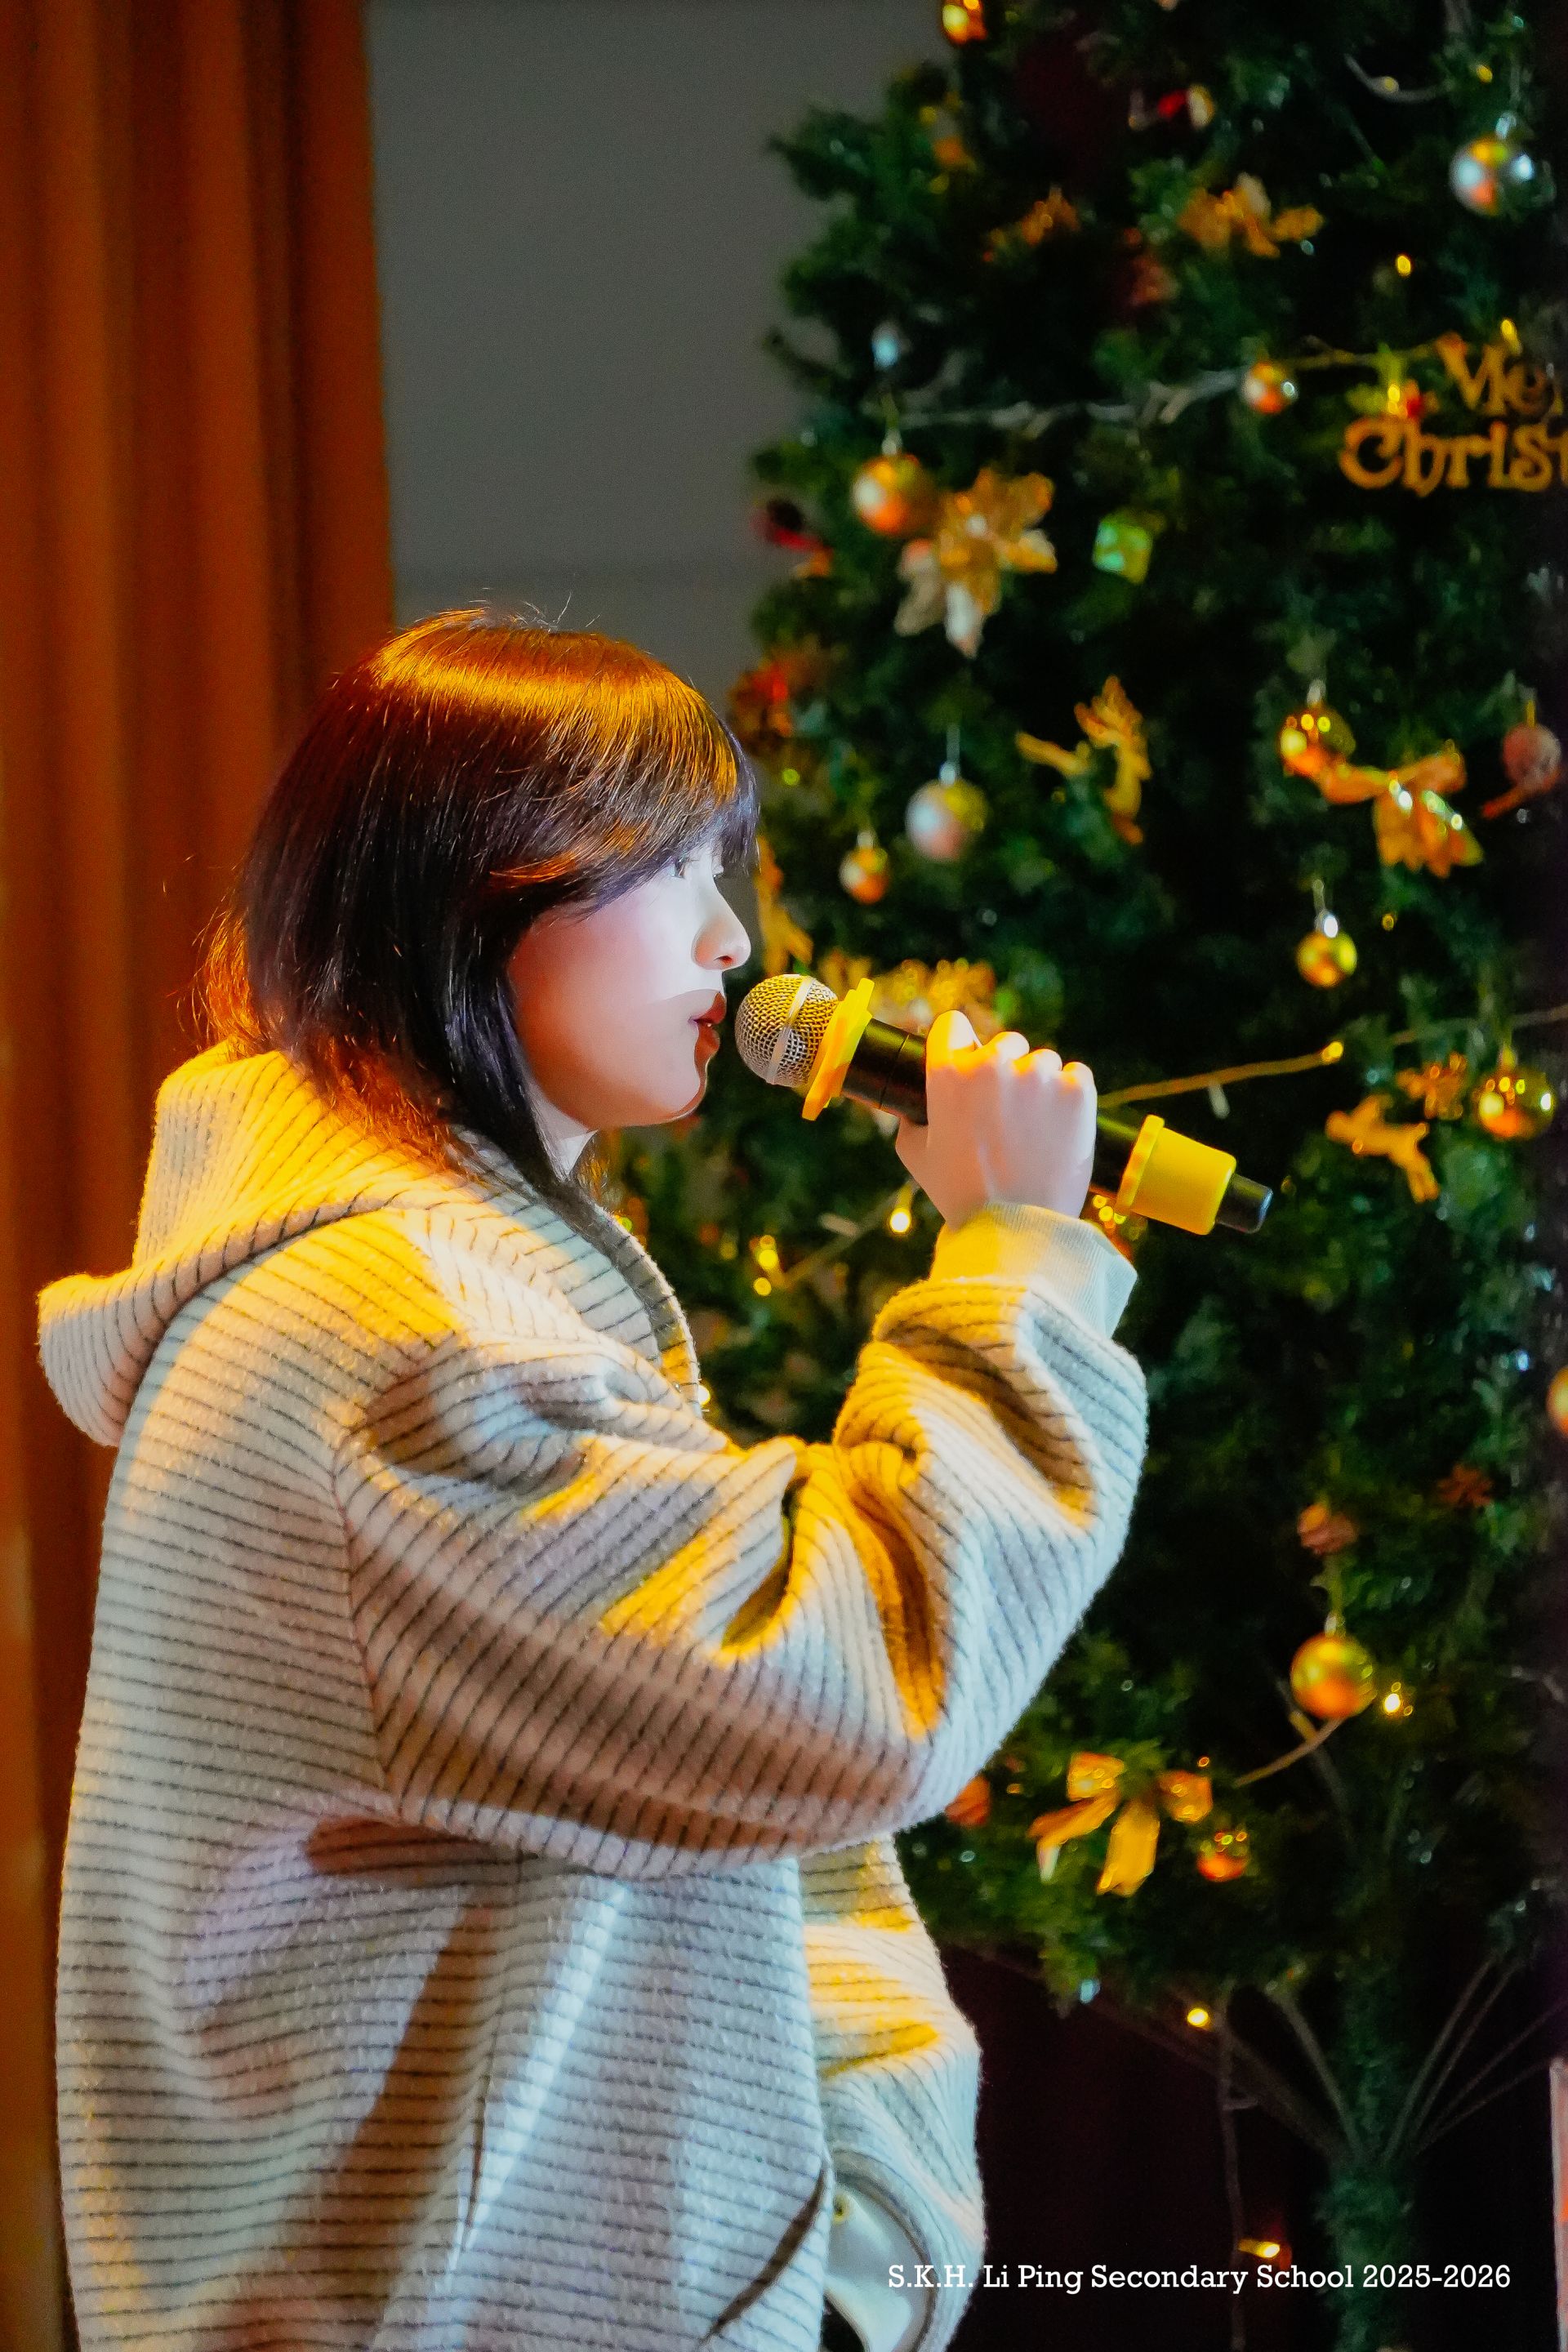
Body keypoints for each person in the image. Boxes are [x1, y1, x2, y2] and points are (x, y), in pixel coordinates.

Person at [38, 610, 1147, 2352]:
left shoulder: (453, 1295)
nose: (731, 938)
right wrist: (1014, 1268)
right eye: (672, 867)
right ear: (477, 896)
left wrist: (860, 2255)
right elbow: (857, 1690)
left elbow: (767, 1823)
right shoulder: (396, 1338)